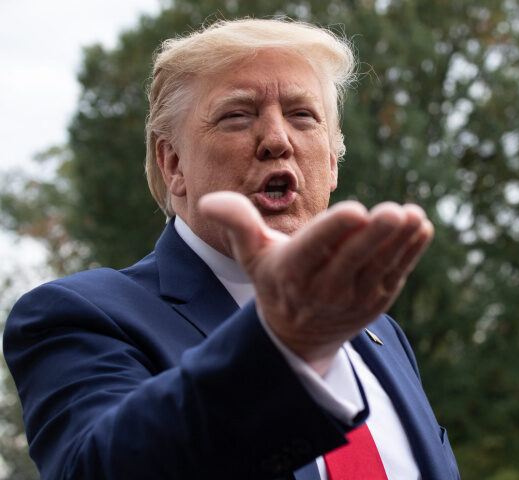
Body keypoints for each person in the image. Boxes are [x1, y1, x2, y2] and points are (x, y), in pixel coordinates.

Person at [4, 18, 460, 480]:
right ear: (173, 163)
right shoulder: (81, 315)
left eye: (302, 115)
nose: (278, 140)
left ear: (330, 162)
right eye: (237, 115)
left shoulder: (382, 334)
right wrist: (284, 348)